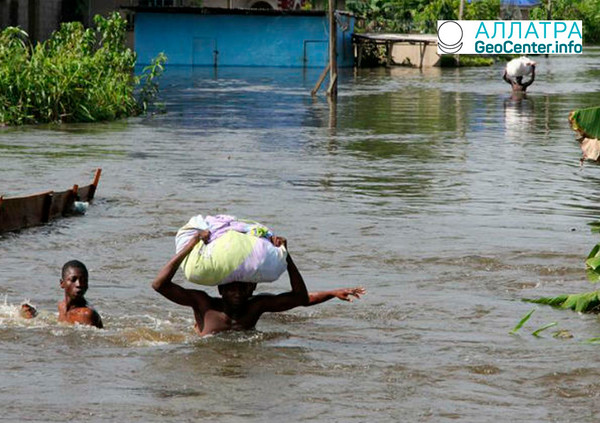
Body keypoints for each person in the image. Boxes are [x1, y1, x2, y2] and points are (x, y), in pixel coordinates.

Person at [152, 231, 366, 336]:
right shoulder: (204, 303)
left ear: (252, 288)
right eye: (232, 287)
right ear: (220, 288)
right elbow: (159, 285)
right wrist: (192, 243)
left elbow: (300, 299)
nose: (237, 291)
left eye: (243, 287)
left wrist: (286, 255)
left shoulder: (256, 305)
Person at [58, 260, 103, 328]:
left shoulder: (85, 315)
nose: (79, 284)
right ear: (62, 283)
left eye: (84, 280)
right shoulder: (61, 306)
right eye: (73, 280)